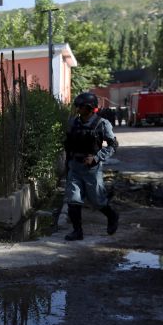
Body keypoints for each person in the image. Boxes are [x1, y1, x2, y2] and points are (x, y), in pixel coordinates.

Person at [63, 92, 120, 241]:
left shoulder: (102, 123)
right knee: (73, 198)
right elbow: (67, 144)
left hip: (91, 169)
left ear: (89, 108)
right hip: (75, 166)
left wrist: (96, 158)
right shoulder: (73, 122)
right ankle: (77, 231)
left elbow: (113, 146)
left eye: (80, 106)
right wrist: (67, 164)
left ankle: (112, 216)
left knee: (97, 200)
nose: (78, 109)